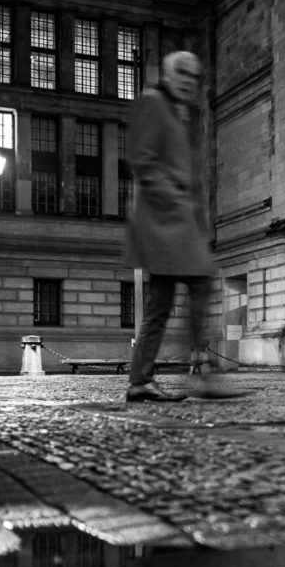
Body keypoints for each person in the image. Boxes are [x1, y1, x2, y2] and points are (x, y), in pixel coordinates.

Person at [124, 51, 234, 402]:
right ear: (169, 75)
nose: (189, 80)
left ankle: (142, 380)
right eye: (183, 73)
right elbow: (141, 158)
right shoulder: (153, 102)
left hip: (179, 222)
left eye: (195, 75)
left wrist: (199, 223)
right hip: (164, 220)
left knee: (160, 303)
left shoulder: (185, 113)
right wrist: (172, 197)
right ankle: (200, 372)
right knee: (201, 283)